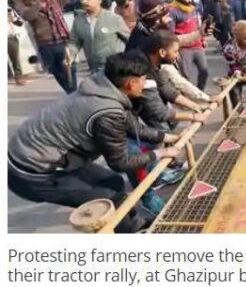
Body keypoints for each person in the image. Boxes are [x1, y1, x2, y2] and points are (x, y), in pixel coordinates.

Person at [7, 52, 182, 233]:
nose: (145, 85)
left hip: (49, 154)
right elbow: (121, 162)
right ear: (131, 83)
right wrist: (160, 153)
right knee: (106, 199)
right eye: (144, 80)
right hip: (33, 173)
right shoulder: (106, 112)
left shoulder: (104, 86)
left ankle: (132, 224)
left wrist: (166, 138)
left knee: (114, 182)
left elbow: (131, 125)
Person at [12, 0, 84, 93]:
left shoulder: (55, 2)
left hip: (62, 42)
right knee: (56, 72)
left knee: (70, 68)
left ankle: (73, 92)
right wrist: (38, 3)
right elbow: (28, 16)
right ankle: (71, 92)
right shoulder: (26, 7)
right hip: (46, 46)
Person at [65, 0, 130, 73]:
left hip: (115, 66)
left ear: (99, 0)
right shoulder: (78, 20)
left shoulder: (113, 18)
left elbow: (129, 39)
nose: (84, 1)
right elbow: (74, 42)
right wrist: (71, 55)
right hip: (94, 67)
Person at [168, 0, 209, 90]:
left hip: (198, 46)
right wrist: (174, 49)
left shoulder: (193, 9)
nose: (190, 0)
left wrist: (203, 39)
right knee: (185, 76)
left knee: (204, 71)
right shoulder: (172, 11)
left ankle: (200, 91)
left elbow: (197, 26)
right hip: (183, 48)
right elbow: (170, 34)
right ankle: (188, 96)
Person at [8, 7, 28, 86]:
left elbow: (20, 23)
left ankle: (19, 77)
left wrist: (12, 18)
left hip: (10, 37)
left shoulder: (9, 9)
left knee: (15, 59)